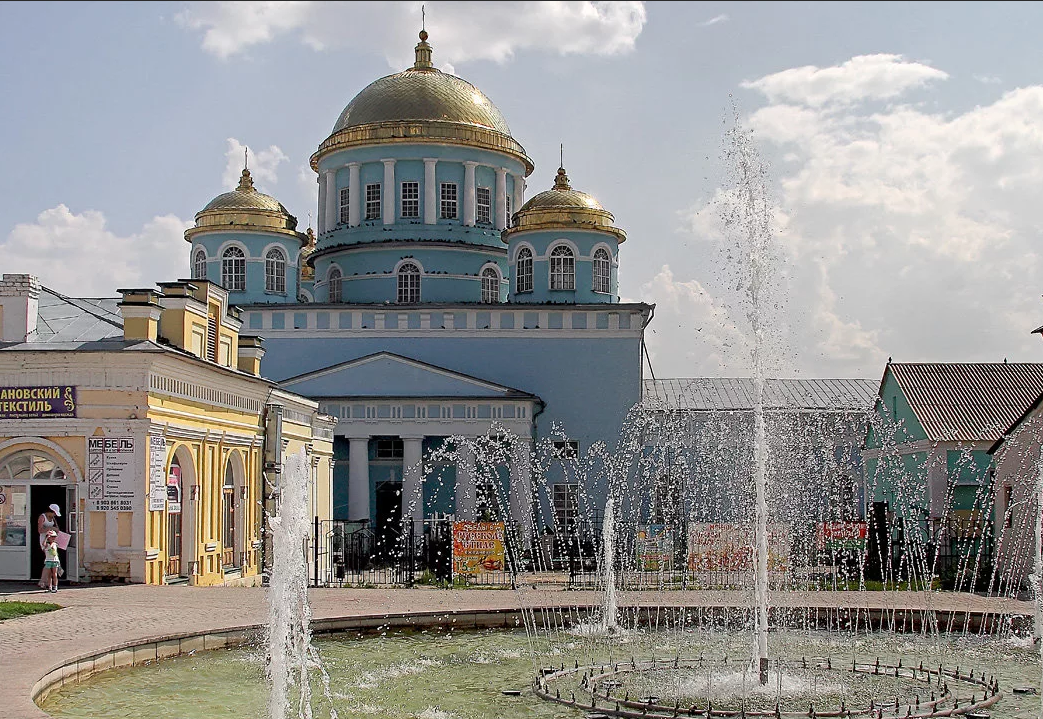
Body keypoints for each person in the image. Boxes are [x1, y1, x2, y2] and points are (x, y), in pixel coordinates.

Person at [37, 504, 61, 588]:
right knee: (48, 560)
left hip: (52, 540)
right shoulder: (42, 517)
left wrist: (55, 530)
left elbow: (56, 528)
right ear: (50, 511)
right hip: (45, 540)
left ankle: (47, 581)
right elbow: (40, 530)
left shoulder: (53, 518)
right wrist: (50, 528)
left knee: (51, 560)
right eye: (54, 513)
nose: (54, 515)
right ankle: (43, 581)